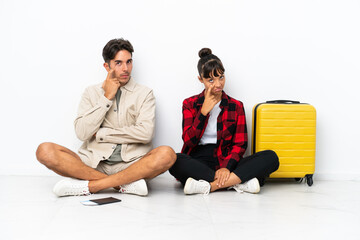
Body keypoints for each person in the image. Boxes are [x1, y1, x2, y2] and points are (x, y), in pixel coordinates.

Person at [36, 38, 176, 197]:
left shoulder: (144, 93)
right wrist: (107, 97)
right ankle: (122, 185)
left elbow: (145, 133)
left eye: (129, 62)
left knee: (167, 154)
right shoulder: (91, 92)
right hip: (93, 164)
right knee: (45, 151)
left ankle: (91, 186)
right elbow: (82, 133)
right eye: (118, 63)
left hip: (132, 165)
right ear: (106, 66)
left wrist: (102, 134)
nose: (125, 68)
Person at [169, 48, 279, 195]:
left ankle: (209, 186)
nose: (218, 84)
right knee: (175, 161)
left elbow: (240, 144)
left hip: (228, 158)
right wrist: (203, 113)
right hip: (200, 160)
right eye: (210, 80)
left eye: (221, 77)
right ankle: (237, 182)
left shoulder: (236, 106)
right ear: (200, 79)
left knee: (271, 157)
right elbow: (189, 141)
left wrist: (226, 167)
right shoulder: (189, 104)